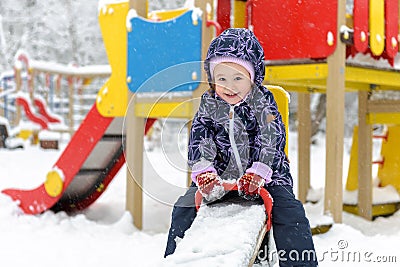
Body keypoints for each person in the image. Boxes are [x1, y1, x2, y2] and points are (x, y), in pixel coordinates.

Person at [164, 28, 318, 266]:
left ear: (253, 78)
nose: (229, 86)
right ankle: (177, 259)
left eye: (238, 78)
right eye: (222, 79)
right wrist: (204, 170)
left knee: (290, 213)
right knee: (183, 208)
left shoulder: (263, 103)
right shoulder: (209, 106)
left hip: (268, 178)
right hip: (220, 180)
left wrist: (259, 171)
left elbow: (271, 138)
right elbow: (199, 138)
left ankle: (300, 263)